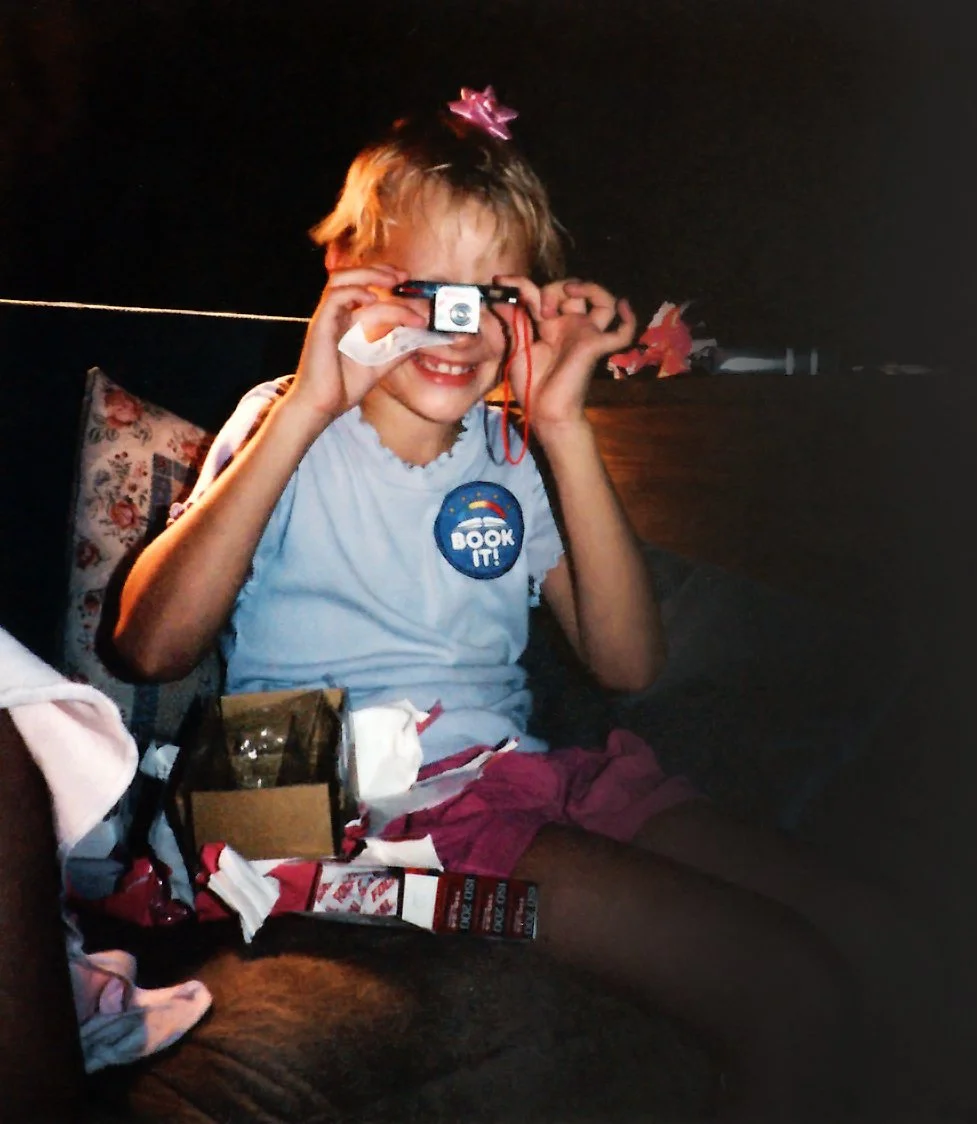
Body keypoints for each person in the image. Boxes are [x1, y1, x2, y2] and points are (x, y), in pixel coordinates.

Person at [113, 90, 924, 1122]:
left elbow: (627, 664)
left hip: (503, 770)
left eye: (492, 298)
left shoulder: (507, 455)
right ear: (351, 283)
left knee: (878, 932)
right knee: (784, 984)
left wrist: (559, 423)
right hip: (327, 788)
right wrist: (310, 401)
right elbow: (151, 644)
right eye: (426, 294)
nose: (459, 333)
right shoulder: (285, 425)